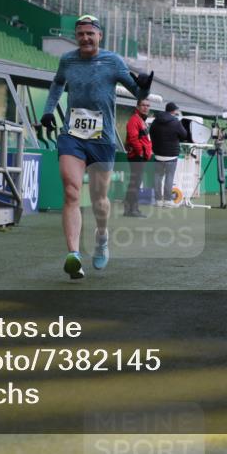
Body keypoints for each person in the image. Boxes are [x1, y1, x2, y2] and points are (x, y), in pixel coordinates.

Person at [41, 15, 152, 279]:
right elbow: (58, 83)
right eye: (80, 34)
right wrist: (48, 111)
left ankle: (101, 235)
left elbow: (136, 92)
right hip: (73, 135)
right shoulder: (67, 60)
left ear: (99, 36)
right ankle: (74, 255)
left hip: (102, 139)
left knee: (100, 199)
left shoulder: (112, 61)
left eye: (90, 33)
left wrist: (144, 89)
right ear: (76, 36)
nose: (85, 38)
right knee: (71, 191)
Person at [149, 102, 189, 208]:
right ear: (174, 111)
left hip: (158, 154)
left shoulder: (155, 121)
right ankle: (167, 200)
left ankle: (158, 201)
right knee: (169, 176)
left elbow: (151, 132)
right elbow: (184, 134)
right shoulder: (175, 122)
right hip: (171, 155)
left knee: (157, 176)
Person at [123, 98, 152, 217]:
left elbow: (143, 139)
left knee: (135, 182)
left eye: (148, 105)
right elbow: (133, 138)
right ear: (138, 107)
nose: (146, 107)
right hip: (137, 156)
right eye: (143, 105)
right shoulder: (134, 120)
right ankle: (132, 209)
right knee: (135, 182)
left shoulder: (141, 120)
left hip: (140, 156)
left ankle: (130, 208)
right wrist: (140, 152)